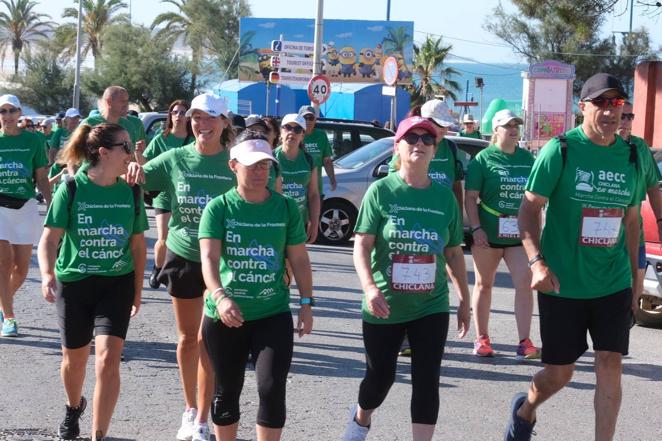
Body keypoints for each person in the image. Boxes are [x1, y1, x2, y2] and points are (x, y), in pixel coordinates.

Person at [505, 73, 643, 441]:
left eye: (616, 103)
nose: (610, 110)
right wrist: (537, 262)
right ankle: (526, 409)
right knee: (558, 374)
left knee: (610, 362)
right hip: (561, 282)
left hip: (612, 281)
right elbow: (528, 211)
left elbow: (631, 223)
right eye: (600, 102)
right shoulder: (560, 150)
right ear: (582, 108)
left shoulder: (630, 155)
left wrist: (635, 280)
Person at [341, 116, 471, 441]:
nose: (420, 144)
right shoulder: (381, 191)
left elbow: (454, 253)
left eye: (427, 139)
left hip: (432, 303)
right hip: (385, 304)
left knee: (427, 379)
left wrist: (464, 300)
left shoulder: (444, 199)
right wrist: (369, 288)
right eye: (411, 138)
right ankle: (361, 418)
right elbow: (362, 245)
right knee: (379, 379)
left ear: (435, 149)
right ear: (397, 147)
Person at [126, 92, 235, 441]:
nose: (202, 124)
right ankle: (190, 410)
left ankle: (204, 418)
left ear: (224, 122)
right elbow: (140, 177)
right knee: (189, 338)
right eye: (197, 117)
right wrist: (131, 166)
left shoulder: (235, 163)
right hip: (184, 255)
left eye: (210, 118)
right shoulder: (175, 158)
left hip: (223, 264)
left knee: (209, 339)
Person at [37, 123, 147, 441]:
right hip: (75, 283)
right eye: (126, 147)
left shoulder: (131, 190)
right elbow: (48, 240)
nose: (132, 153)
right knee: (74, 358)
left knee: (108, 358)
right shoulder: (71, 188)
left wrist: (137, 290)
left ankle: (98, 435)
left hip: (117, 282)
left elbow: (138, 246)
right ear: (104, 152)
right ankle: (73, 407)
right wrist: (47, 275)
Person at [199, 137, 314, 441]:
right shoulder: (218, 208)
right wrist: (220, 297)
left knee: (272, 387)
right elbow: (209, 259)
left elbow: (299, 259)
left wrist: (306, 303)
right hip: (225, 317)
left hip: (272, 313)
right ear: (233, 166)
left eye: (266, 165)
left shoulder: (286, 208)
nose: (261, 171)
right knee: (226, 389)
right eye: (252, 165)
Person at [390, 98, 467, 357]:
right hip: (409, 220)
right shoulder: (411, 142)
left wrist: (455, 216)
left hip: (439, 221)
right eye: (438, 125)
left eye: (445, 127)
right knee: (404, 273)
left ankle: (422, 329)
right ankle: (401, 335)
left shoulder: (451, 149)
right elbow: (394, 181)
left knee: (433, 277)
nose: (443, 131)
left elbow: (456, 185)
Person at [464, 109, 539, 359]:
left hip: (518, 236)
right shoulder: (483, 160)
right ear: (496, 130)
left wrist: (537, 236)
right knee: (484, 285)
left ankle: (524, 341)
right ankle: (482, 338)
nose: (514, 129)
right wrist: (476, 229)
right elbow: (471, 197)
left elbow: (534, 200)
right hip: (488, 234)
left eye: (516, 124)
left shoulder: (528, 159)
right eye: (508, 125)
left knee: (525, 285)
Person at [0, 94, 51, 336]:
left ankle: (3, 302)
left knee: (21, 269)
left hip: (25, 207)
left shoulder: (34, 141)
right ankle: (9, 317)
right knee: (3, 262)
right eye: (3, 111)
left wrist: (53, 205)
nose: (7, 116)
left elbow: (41, 177)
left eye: (12, 111)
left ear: (20, 114)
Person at [135, 99, 194, 290]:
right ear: (170, 116)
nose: (178, 116)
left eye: (182, 112)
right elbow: (146, 165)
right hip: (164, 195)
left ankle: (180, 269)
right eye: (175, 112)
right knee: (164, 237)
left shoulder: (194, 140)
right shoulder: (161, 139)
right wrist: (138, 154)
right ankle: (158, 268)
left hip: (187, 196)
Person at [617, 101, 662, 300]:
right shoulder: (596, 148)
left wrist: (660, 220)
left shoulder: (639, 147)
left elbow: (653, 187)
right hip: (600, 239)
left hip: (635, 234)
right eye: (622, 116)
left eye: (630, 116)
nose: (625, 121)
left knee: (635, 292)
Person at [270, 113, 320, 244]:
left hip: (298, 222)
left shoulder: (309, 160)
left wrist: (314, 224)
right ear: (280, 132)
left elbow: (314, 194)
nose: (292, 132)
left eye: (297, 129)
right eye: (287, 127)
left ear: (303, 135)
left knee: (294, 262)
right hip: (274, 220)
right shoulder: (270, 158)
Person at [298, 105, 336, 201]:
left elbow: (327, 160)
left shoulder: (321, 135)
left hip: (316, 189)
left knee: (315, 215)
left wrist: (332, 179)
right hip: (297, 189)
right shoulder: (295, 135)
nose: (308, 121)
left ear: (315, 120)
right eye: (304, 118)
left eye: (311, 118)